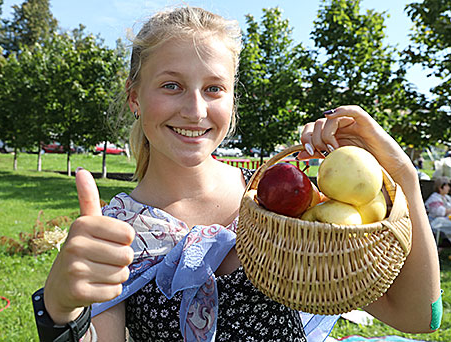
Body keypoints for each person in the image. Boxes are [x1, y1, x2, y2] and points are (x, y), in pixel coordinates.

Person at [32, 6, 442, 342]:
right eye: (172, 85)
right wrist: (60, 309)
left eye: (213, 89)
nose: (195, 110)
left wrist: (402, 174)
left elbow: (421, 316)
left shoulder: (279, 201)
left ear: (231, 99)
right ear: (135, 97)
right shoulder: (115, 232)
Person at [425, 176, 451, 242]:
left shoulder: (446, 197)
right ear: (440, 188)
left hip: (444, 220)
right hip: (435, 222)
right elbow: (441, 212)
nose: (449, 188)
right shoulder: (434, 198)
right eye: (447, 186)